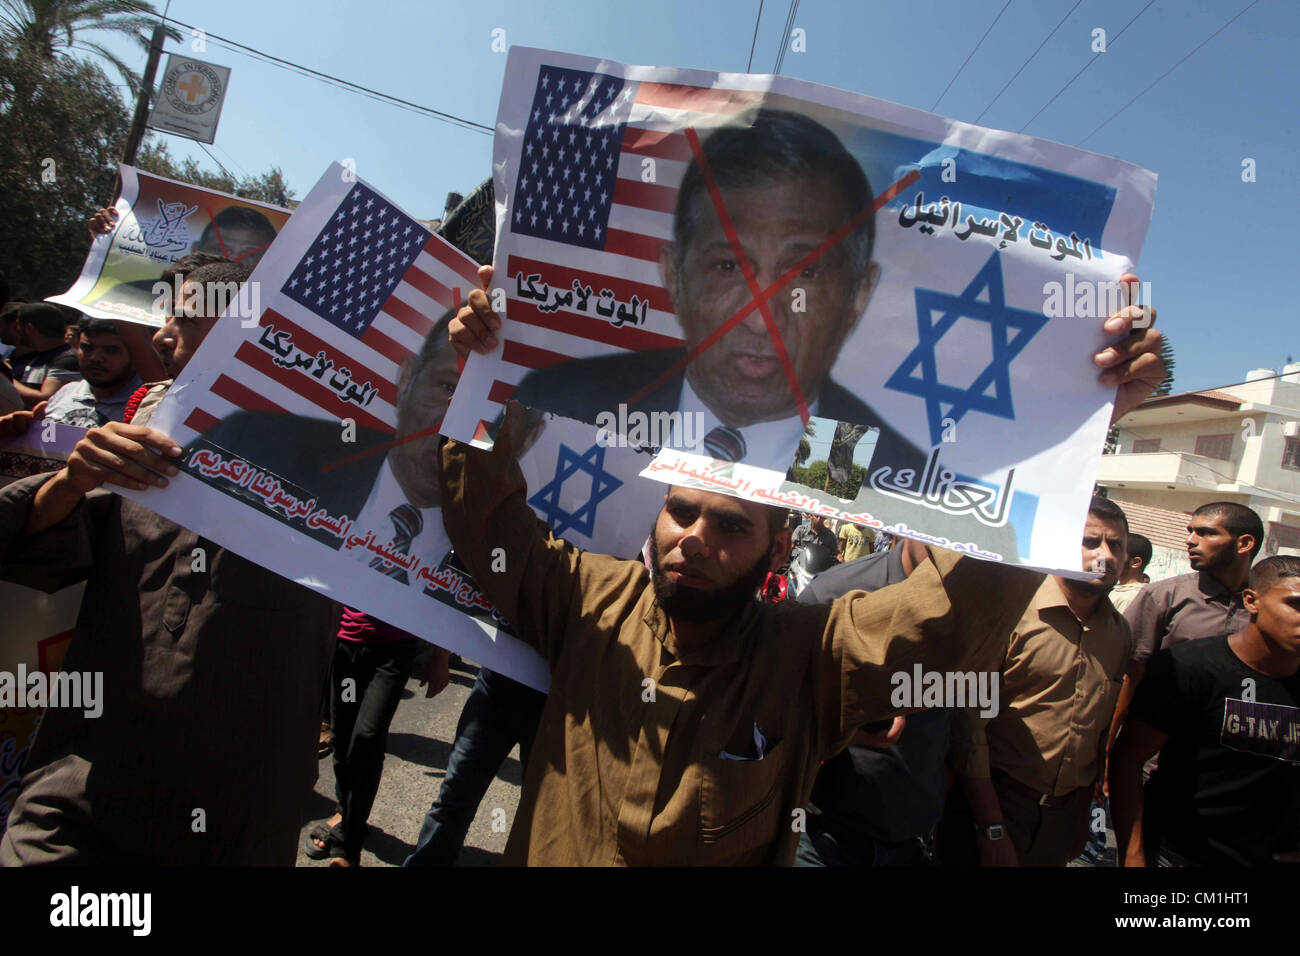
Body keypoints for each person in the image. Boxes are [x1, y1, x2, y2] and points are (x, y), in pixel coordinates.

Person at [438, 259, 1164, 865]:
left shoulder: (808, 656)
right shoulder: (587, 596)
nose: (692, 536)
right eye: (680, 512)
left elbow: (943, 618)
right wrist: (480, 374)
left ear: (779, 548)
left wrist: (1077, 428)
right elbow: (490, 522)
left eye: (728, 524)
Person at [0, 253, 338, 865]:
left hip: (241, 802)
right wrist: (68, 482)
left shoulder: (352, 462)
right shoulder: (148, 425)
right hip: (80, 788)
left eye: (184, 320)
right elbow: (50, 542)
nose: (160, 337)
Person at [510, 109, 923, 473]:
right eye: (728, 267)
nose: (761, 322)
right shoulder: (556, 405)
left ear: (857, 296)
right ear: (674, 276)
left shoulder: (888, 479)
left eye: (804, 273)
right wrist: (474, 350)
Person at [945, 497, 1132, 867]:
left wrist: (1079, 817)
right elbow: (968, 727)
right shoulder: (1012, 611)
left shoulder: (1119, 633)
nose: (1105, 555)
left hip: (1060, 819)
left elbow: (1095, 735)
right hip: (990, 806)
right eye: (1090, 542)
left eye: (1117, 545)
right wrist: (991, 826)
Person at [1111, 555, 1300, 866]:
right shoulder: (1189, 667)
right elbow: (1128, 759)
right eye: (1296, 604)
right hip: (1180, 854)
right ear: (1252, 601)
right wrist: (1133, 855)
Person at [794, 536, 953, 866]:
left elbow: (971, 723)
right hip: (823, 834)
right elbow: (775, 704)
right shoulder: (833, 591)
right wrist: (843, 725)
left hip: (911, 840)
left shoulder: (973, 611)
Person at [1107, 502, 1262, 775]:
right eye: (1190, 531)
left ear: (1244, 544)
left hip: (1234, 770)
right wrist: (1108, 752)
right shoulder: (1163, 597)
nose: (1190, 540)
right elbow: (1128, 677)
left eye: (1205, 533)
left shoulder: (1266, 606)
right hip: (1155, 767)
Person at [306, 608, 450, 867]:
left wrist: (441, 656)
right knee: (342, 738)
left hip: (393, 652)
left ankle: (347, 847)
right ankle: (347, 813)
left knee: (367, 739)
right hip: (344, 644)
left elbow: (441, 588)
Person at [402, 667, 547, 867]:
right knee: (456, 794)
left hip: (555, 701)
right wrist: (441, 654)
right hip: (495, 687)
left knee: (544, 809)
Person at [39, 317, 141, 427]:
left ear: (135, 354)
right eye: (87, 348)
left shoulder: (148, 405)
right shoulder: (67, 392)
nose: (95, 358)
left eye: (111, 350)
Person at [8, 303, 80, 408]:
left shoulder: (68, 359)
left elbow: (46, 402)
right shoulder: (36, 356)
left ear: (29, 328)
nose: (16, 331)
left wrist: (5, 377)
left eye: (18, 325)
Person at [1109, 531, 1151, 613]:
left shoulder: (1129, 597)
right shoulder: (1121, 591)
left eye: (1117, 553)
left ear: (1135, 562)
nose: (1109, 557)